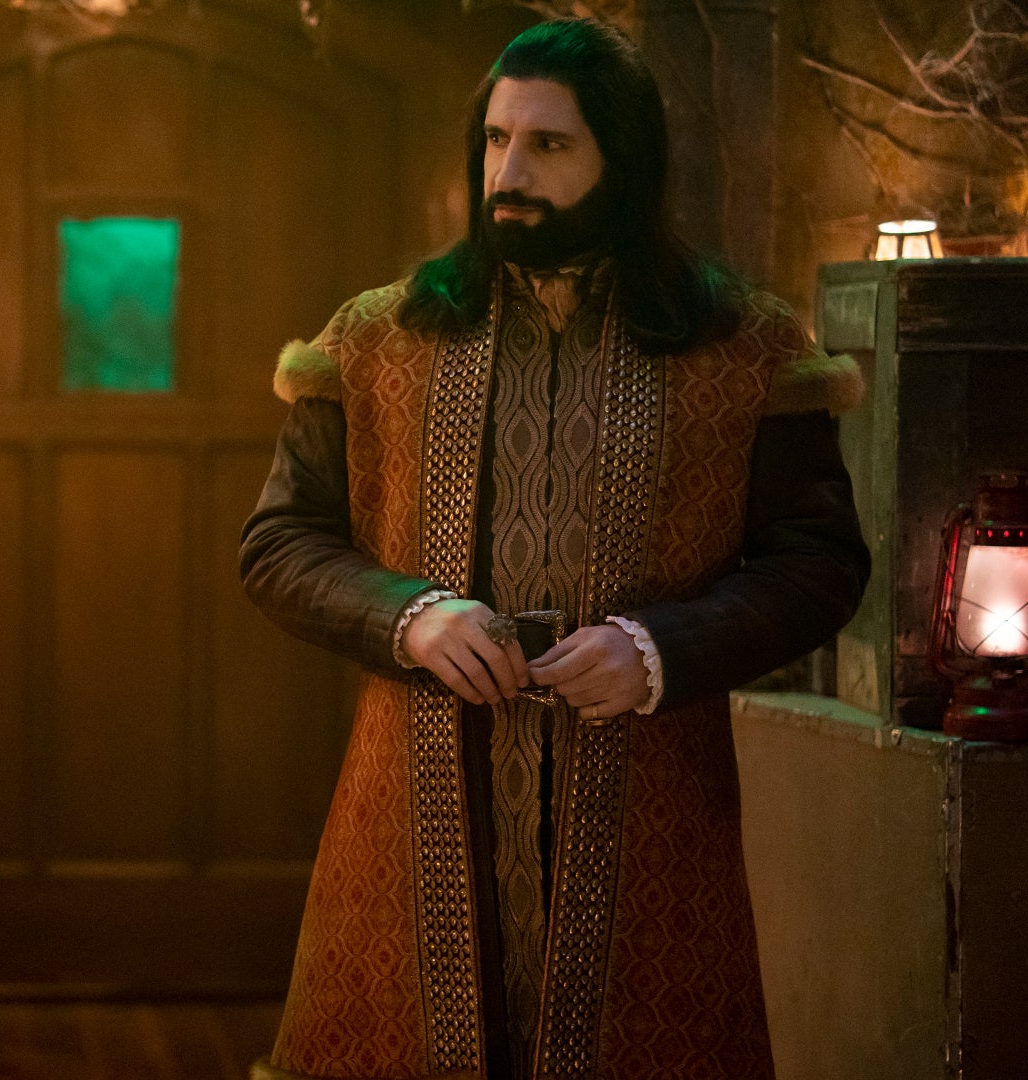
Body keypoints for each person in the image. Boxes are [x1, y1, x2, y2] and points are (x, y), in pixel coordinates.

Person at [240, 19, 868, 1080]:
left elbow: (819, 564)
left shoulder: (742, 347)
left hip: (651, 823)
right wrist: (410, 618)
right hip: (411, 819)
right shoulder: (379, 337)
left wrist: (657, 650)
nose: (509, 174)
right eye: (496, 140)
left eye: (548, 145)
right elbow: (279, 543)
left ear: (623, 157)